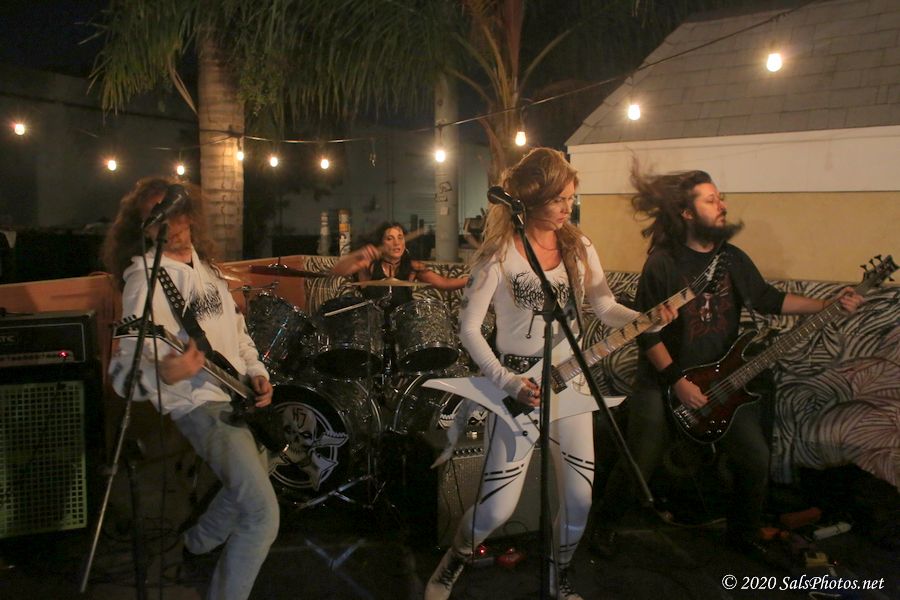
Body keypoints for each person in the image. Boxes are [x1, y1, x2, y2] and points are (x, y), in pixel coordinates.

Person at [424, 148, 675, 600]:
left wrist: (646, 319)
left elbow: (604, 306)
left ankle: (560, 576)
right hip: (518, 388)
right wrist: (507, 381)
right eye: (558, 199)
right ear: (530, 198)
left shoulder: (579, 248)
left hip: (571, 383)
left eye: (571, 199)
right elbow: (468, 329)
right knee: (497, 509)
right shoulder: (498, 255)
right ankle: (453, 561)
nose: (567, 209)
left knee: (579, 499)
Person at [588, 166, 863, 565]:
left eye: (721, 198)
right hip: (663, 377)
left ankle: (743, 534)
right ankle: (606, 524)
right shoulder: (662, 263)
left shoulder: (730, 258)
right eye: (711, 199)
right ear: (687, 212)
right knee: (642, 456)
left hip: (720, 378)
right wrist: (676, 381)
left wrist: (830, 303)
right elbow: (646, 335)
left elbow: (768, 299)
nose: (722, 205)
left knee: (755, 457)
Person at [103, 177, 278, 600]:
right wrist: (166, 372)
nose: (168, 223)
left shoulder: (209, 272)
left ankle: (195, 545)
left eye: (174, 211)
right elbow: (123, 373)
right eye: (154, 217)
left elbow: (238, 334)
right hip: (200, 406)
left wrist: (256, 371)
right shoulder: (145, 280)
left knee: (256, 476)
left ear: (189, 215)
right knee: (261, 515)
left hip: (234, 394)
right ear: (144, 228)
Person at [331, 221, 468, 309]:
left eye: (400, 238)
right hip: (372, 328)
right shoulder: (369, 264)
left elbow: (445, 283)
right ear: (381, 243)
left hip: (402, 328)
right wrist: (358, 254)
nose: (397, 243)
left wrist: (472, 280)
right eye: (389, 239)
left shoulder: (412, 266)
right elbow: (337, 271)